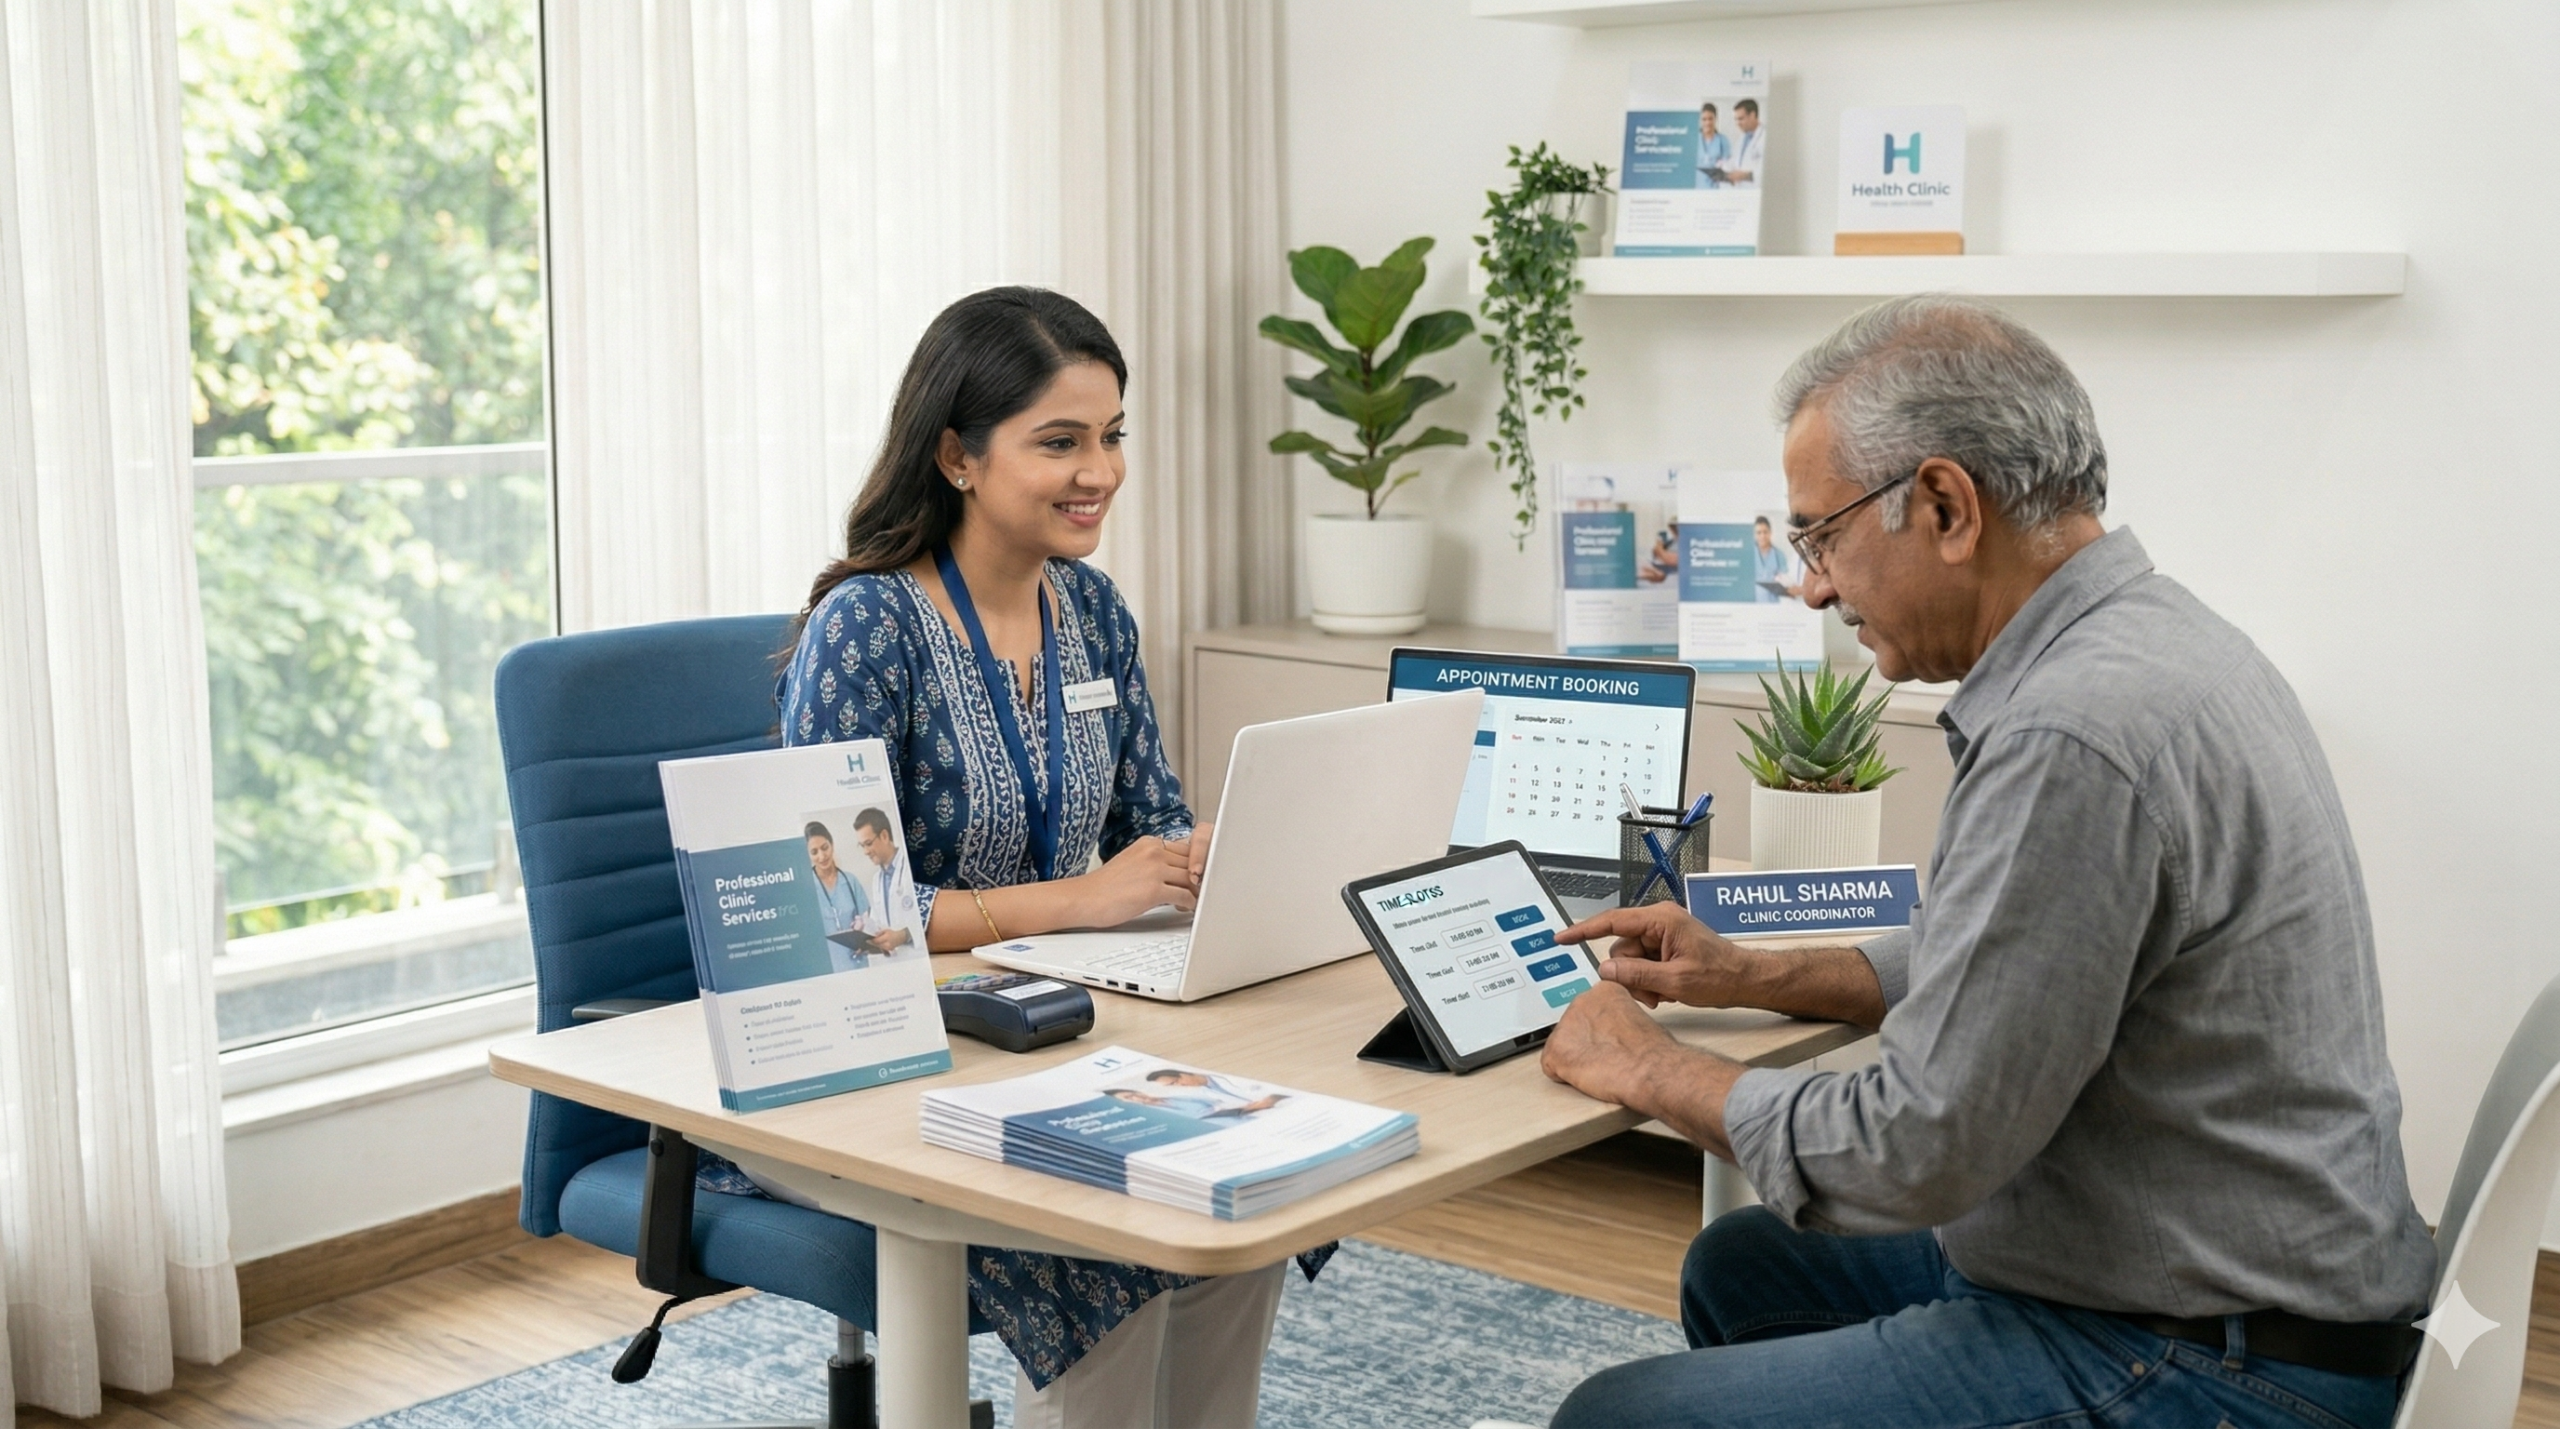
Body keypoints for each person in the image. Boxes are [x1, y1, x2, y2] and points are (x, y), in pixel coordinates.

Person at [1539, 294, 2432, 1429]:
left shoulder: (2075, 732)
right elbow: (2029, 953)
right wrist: (1754, 974)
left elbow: (1913, 1149)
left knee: (1614, 1419)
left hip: (2214, 1365)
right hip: (2240, 1279)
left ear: (1946, 505)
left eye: (1819, 535)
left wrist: (1650, 1069)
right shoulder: (2160, 639)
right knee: (1747, 1264)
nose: (1812, 585)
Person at [743, 286, 1308, 1429]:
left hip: (1068, 1025)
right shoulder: (870, 626)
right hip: (894, 1050)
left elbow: (1153, 820)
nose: (1097, 469)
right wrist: (1082, 898)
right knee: (1111, 1226)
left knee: (1242, 1198)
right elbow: (836, 918)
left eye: (1111, 437)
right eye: (1059, 441)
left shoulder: (1093, 613)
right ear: (956, 454)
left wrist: (1217, 862)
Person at [848, 806, 917, 952]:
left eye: (868, 844)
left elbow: (933, 916)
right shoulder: (877, 880)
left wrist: (904, 935)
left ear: (884, 836)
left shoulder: (912, 866)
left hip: (918, 956)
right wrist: (863, 938)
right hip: (894, 961)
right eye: (861, 846)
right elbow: (877, 923)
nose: (866, 852)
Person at [803, 821, 868, 937]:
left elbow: (868, 919)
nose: (822, 856)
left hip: (856, 953)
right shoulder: (806, 888)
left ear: (832, 845)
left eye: (825, 848)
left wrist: (864, 935)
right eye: (814, 852)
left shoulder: (850, 881)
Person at [1749, 515, 1797, 602]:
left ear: (1770, 533)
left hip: (1773, 603)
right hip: (1753, 603)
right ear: (1754, 534)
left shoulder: (1779, 555)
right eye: (1759, 533)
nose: (1762, 536)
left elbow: (1786, 579)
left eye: (1765, 532)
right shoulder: (1749, 555)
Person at [1722, 96, 1764, 187]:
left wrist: (1744, 176)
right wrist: (1722, 170)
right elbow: (1735, 162)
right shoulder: (1742, 139)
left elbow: (1769, 171)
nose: (1737, 123)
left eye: (1741, 119)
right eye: (1736, 119)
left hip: (1756, 192)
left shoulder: (1765, 137)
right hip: (1742, 192)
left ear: (1752, 115)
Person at [1694, 102, 1732, 186]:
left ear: (1716, 119)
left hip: (1716, 189)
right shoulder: (1694, 140)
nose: (1707, 123)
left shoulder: (1723, 140)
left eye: (1710, 119)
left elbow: (1727, 166)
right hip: (1697, 188)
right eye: (1704, 119)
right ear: (1700, 120)